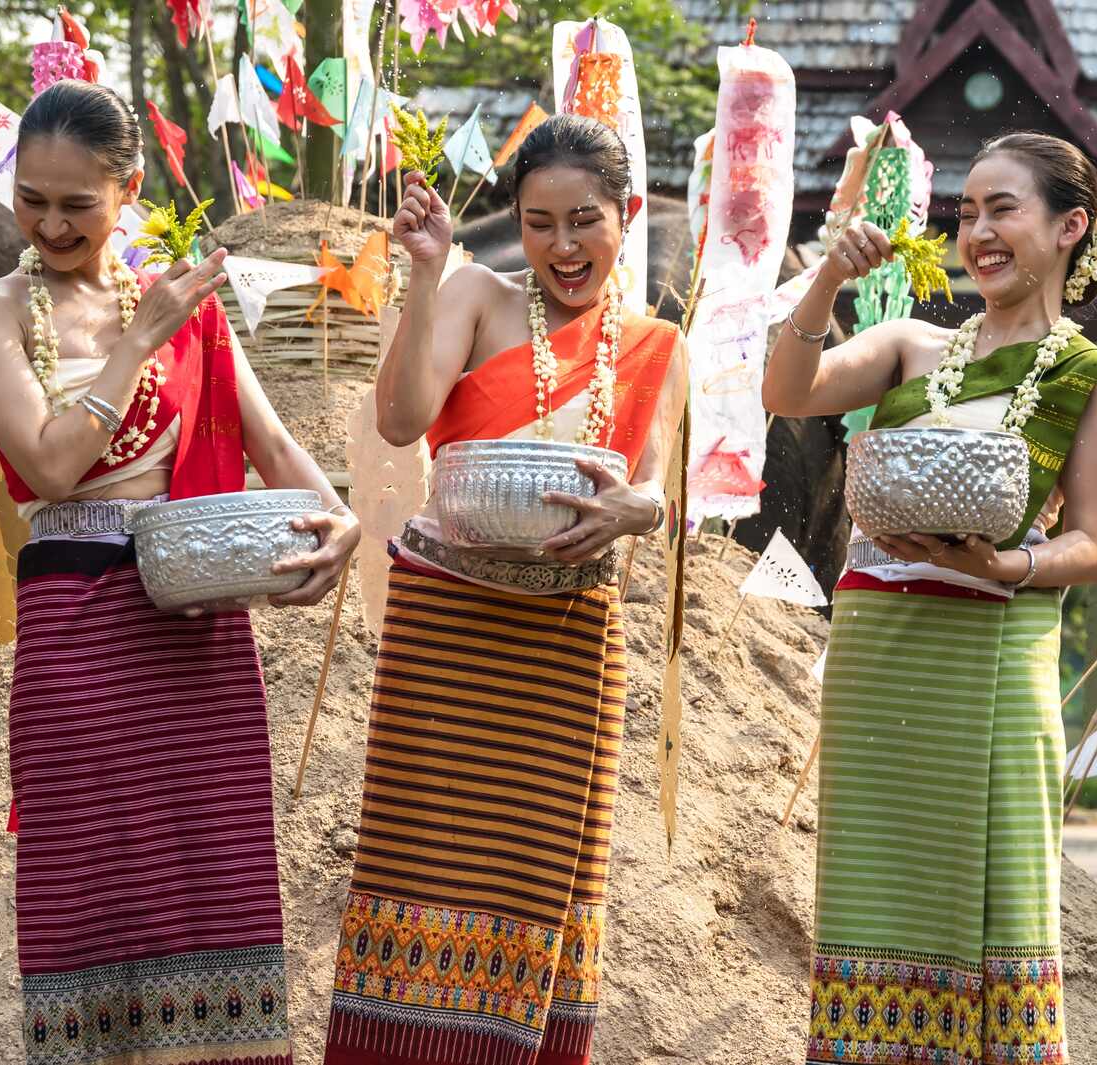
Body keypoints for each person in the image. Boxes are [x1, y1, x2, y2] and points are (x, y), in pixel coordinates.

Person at [0, 80, 360, 1064]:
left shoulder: (187, 307)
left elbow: (269, 444)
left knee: (212, 885)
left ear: (128, 188)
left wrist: (338, 524)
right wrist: (137, 340)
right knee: (90, 899)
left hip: (195, 632)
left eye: (77, 204)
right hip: (75, 642)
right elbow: (49, 464)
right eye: (31, 200)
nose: (51, 224)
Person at [320, 114, 686, 1065]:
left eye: (586, 221)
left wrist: (637, 514)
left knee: (537, 887)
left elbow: (651, 487)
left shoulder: (654, 345)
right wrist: (427, 273)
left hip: (567, 636)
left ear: (628, 215)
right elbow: (402, 422)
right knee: (422, 867)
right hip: (447, 631)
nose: (563, 246)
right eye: (539, 223)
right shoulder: (479, 294)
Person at [765, 131, 1097, 1065]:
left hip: (993, 660)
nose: (977, 232)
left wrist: (1003, 567)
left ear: (1069, 228)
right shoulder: (908, 345)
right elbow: (788, 387)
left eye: (1002, 208)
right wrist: (826, 281)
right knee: (872, 901)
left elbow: (1091, 545)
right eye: (967, 212)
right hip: (879, 662)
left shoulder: (1094, 382)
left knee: (999, 909)